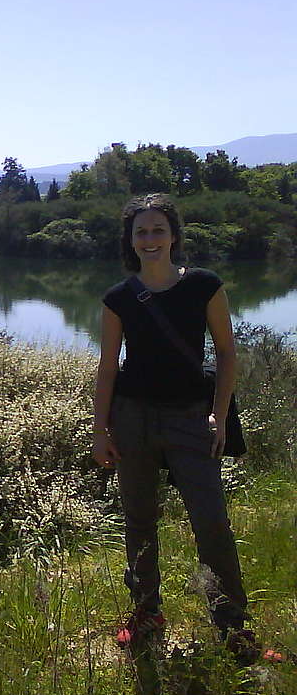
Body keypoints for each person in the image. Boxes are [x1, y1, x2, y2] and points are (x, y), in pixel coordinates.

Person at [92, 193, 258, 661]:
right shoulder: (119, 298)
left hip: (192, 418)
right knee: (140, 521)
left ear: (174, 236)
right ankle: (147, 614)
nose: (150, 240)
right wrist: (99, 429)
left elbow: (226, 352)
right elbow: (108, 367)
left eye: (158, 230)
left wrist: (219, 413)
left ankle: (233, 627)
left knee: (211, 523)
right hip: (134, 418)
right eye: (140, 231)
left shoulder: (204, 286)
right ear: (130, 239)